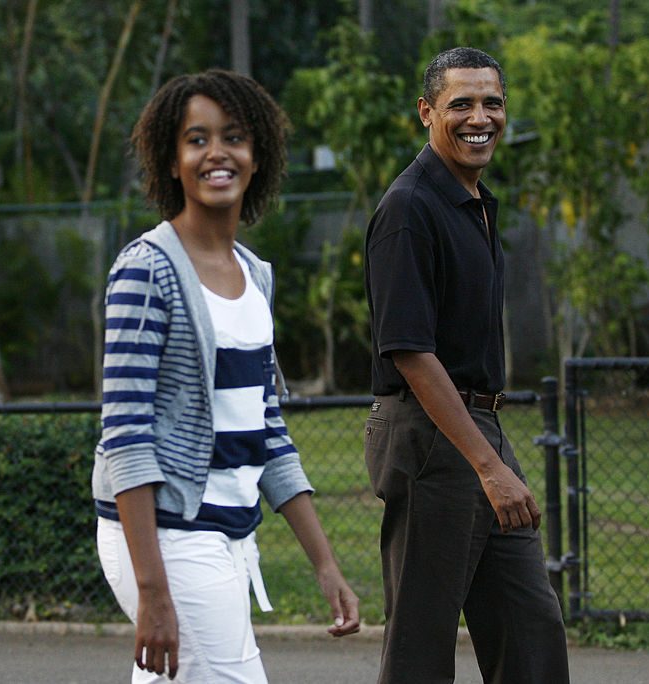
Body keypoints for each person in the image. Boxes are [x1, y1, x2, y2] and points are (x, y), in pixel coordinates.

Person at [92, 69, 360, 683]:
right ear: (170, 160)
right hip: (170, 535)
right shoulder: (147, 271)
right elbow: (126, 435)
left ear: (257, 154)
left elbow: (266, 429)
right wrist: (152, 590)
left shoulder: (254, 274)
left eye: (233, 137)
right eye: (196, 139)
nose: (217, 153)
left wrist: (324, 564)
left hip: (229, 531)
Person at [363, 48, 570, 683]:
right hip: (433, 438)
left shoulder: (473, 201)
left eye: (492, 102)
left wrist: (492, 455)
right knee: (422, 643)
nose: (480, 117)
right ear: (427, 112)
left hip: (480, 429)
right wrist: (489, 466)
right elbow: (409, 350)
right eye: (461, 104)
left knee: (529, 623)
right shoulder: (410, 208)